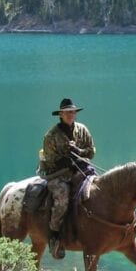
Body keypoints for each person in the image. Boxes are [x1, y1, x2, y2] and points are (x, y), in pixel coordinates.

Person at [40, 97, 96, 259]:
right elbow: (50, 162)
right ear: (61, 115)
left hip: (81, 170)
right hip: (59, 175)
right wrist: (67, 160)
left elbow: (91, 152)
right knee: (62, 198)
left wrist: (78, 151)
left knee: (98, 190)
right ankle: (55, 235)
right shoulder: (51, 136)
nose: (70, 115)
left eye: (72, 112)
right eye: (67, 113)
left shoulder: (82, 130)